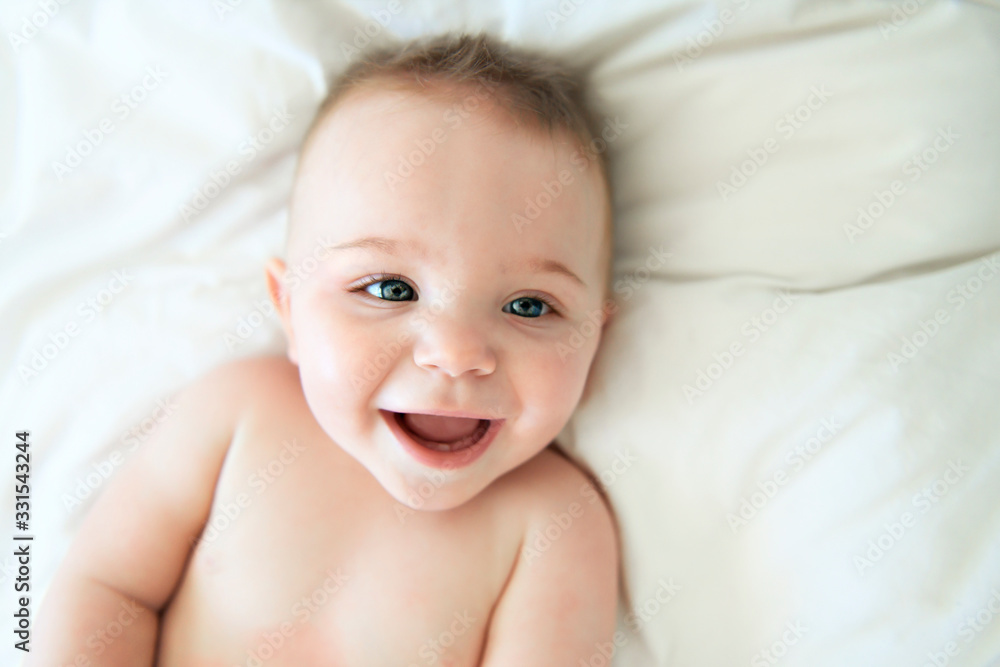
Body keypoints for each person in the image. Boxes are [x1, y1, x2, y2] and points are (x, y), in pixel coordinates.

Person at [30, 31, 620, 666]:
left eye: (529, 305)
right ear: (288, 307)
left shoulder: (556, 525)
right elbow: (108, 589)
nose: (454, 353)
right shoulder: (237, 414)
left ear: (598, 335)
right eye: (390, 288)